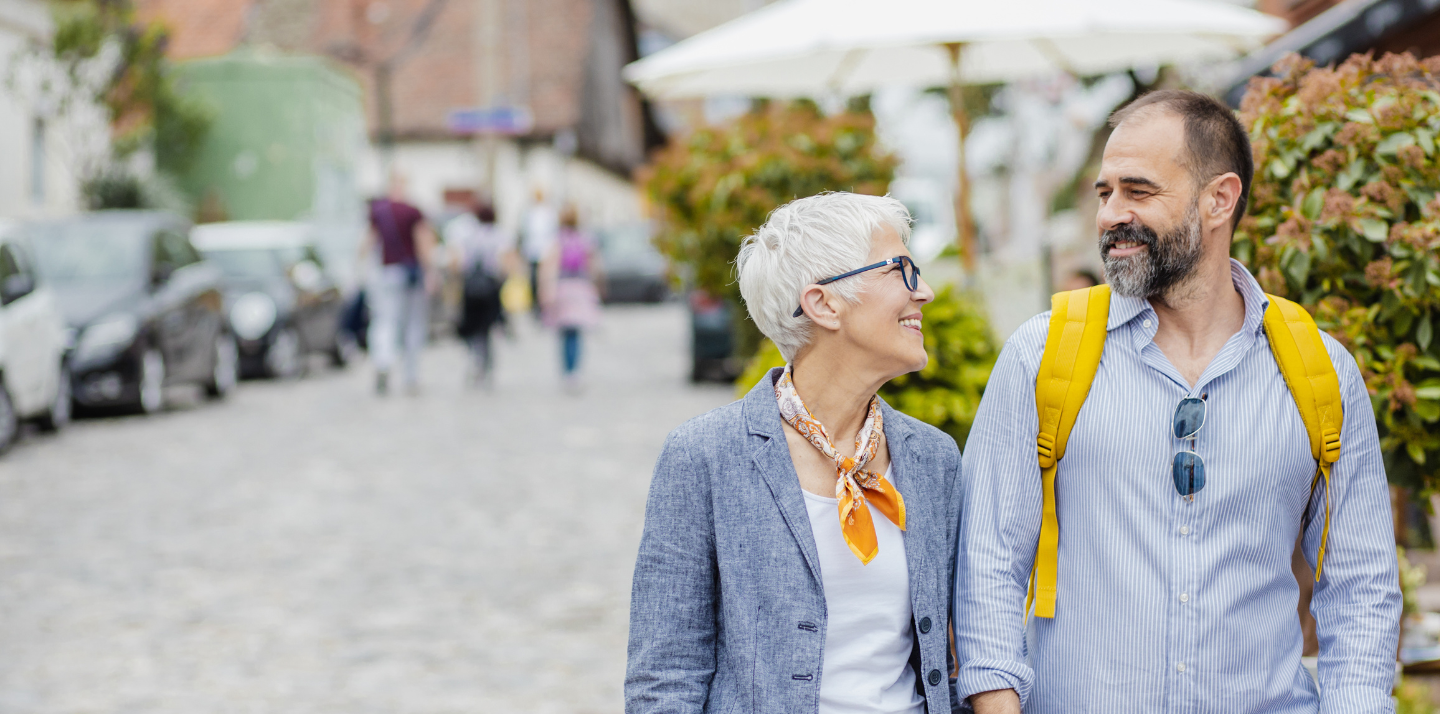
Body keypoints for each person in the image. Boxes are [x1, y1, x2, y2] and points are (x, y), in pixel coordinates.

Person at [956, 90, 1400, 713]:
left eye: (1138, 192)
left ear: (1219, 199)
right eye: (1105, 193)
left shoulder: (1321, 371)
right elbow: (988, 567)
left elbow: (1362, 590)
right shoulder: (1041, 355)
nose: (1111, 214)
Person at [626, 192, 961, 714]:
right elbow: (663, 678)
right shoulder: (705, 456)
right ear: (824, 303)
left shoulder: (933, 460)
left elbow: (956, 655)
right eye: (901, 270)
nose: (925, 292)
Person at [360, 174, 438, 395]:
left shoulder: (378, 211)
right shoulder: (412, 211)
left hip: (386, 273)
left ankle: (383, 362)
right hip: (410, 275)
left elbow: (367, 242)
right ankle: (410, 376)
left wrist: (360, 269)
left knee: (385, 321)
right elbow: (423, 242)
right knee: (412, 324)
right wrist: (430, 272)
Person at [446, 200, 514, 387]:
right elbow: (506, 263)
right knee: (487, 328)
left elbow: (455, 261)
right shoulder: (499, 235)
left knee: (470, 326)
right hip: (491, 287)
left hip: (470, 286)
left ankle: (475, 358)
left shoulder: (467, 234)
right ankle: (486, 364)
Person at [538, 207, 602, 388]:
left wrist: (544, 290)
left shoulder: (557, 240)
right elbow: (594, 266)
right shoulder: (585, 239)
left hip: (562, 287)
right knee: (576, 332)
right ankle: (574, 371)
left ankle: (567, 370)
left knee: (564, 332)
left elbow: (548, 267)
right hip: (580, 287)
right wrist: (596, 287)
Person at [522, 188, 559, 317]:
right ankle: (535, 304)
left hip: (545, 251)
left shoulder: (548, 212)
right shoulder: (529, 212)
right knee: (533, 279)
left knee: (545, 280)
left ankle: (544, 304)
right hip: (533, 251)